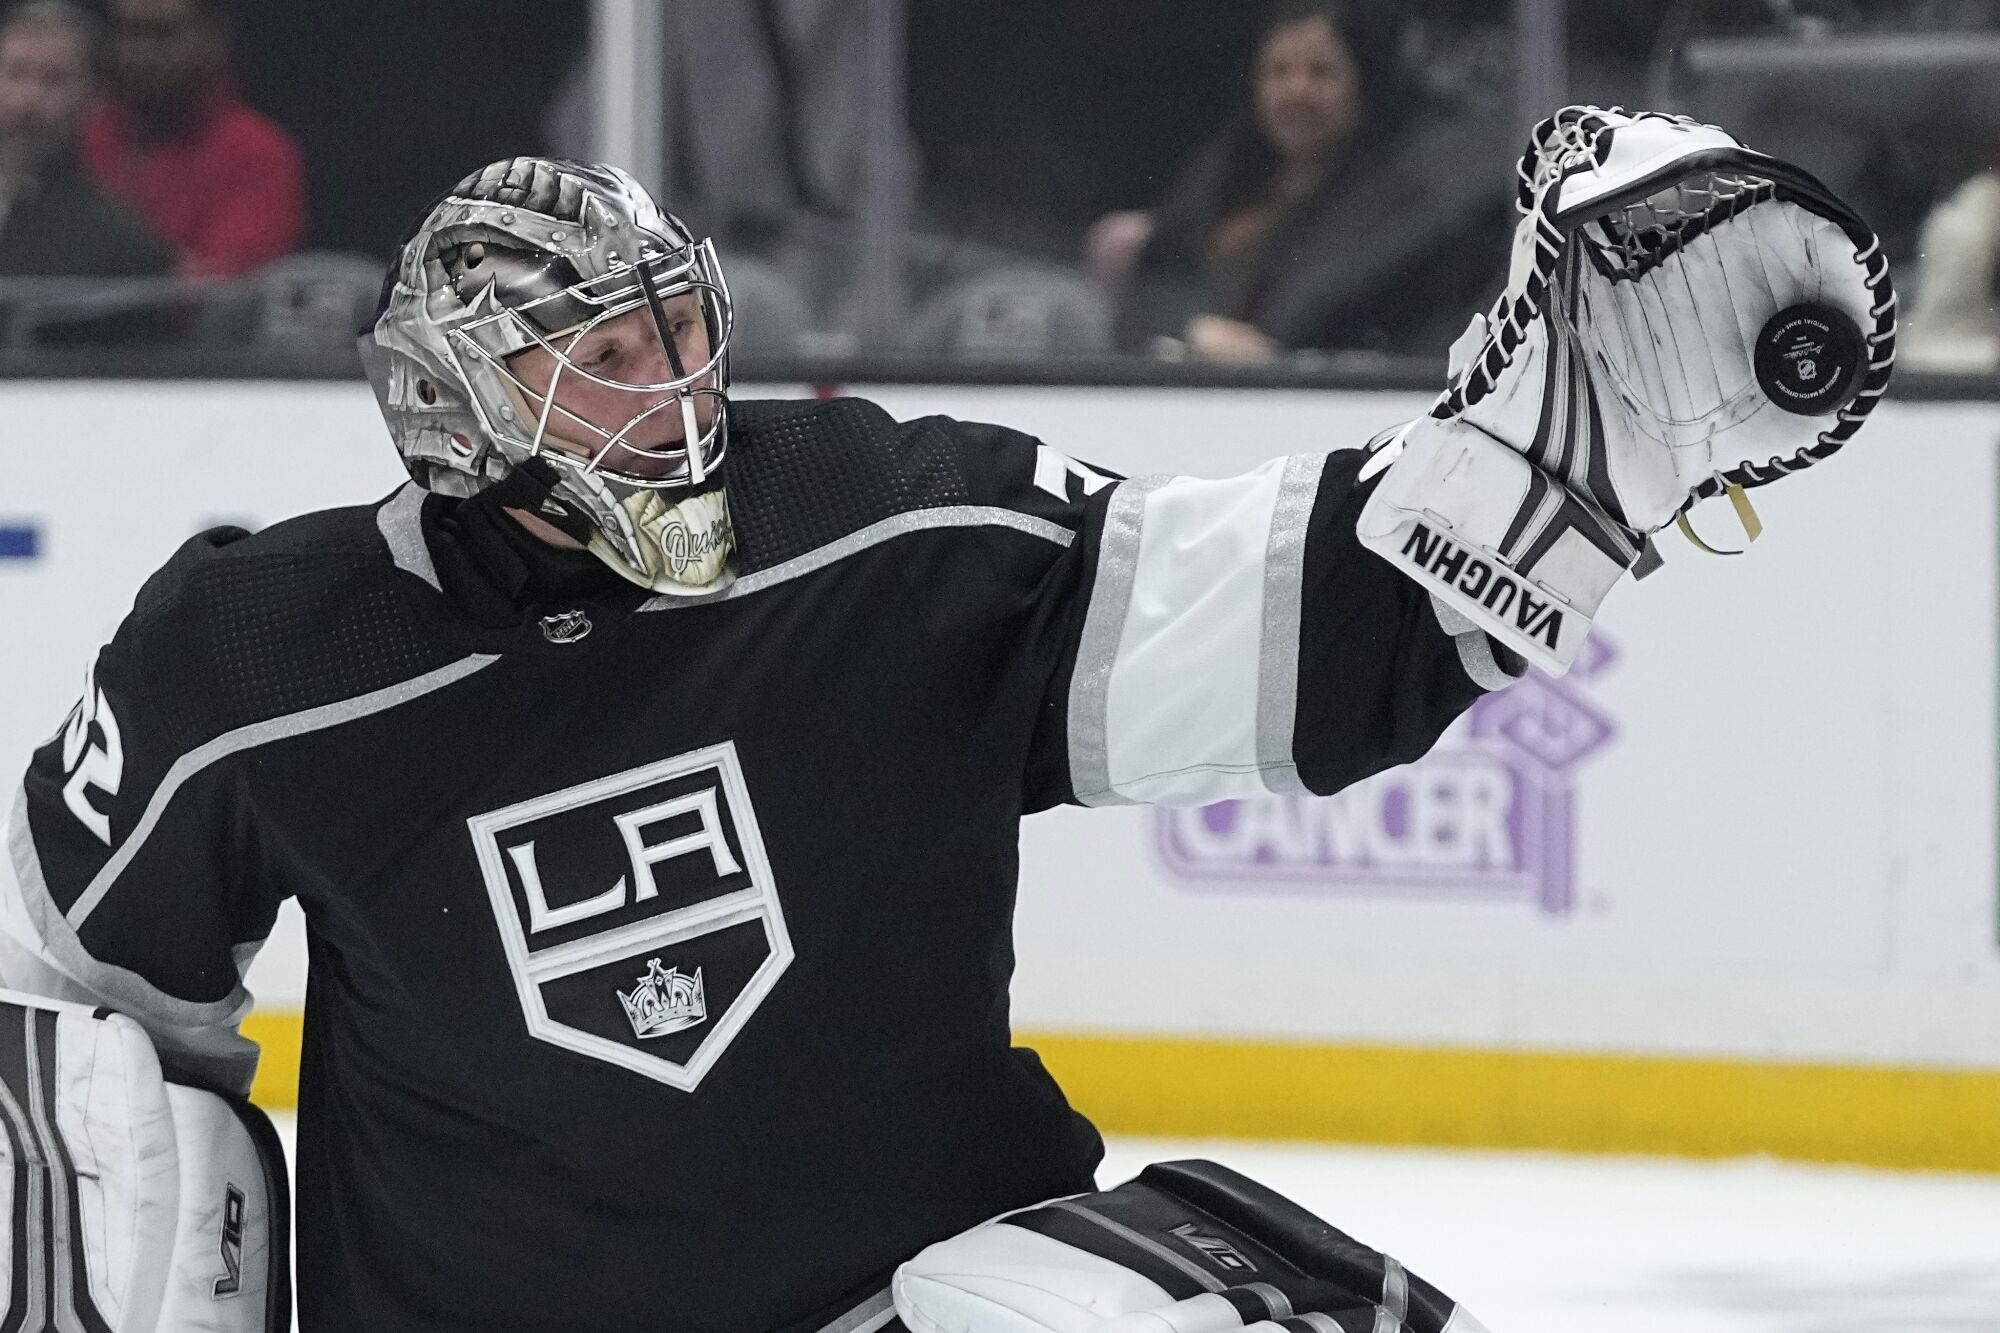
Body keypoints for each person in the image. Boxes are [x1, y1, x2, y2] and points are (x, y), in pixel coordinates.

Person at [0, 132, 1890, 1331]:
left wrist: (1557, 466)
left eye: (682, 334)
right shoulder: (255, 651)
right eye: (606, 355)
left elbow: (1285, 625)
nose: (674, 393)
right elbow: (68, 996)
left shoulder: (884, 523)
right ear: (451, 405)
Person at [1102, 0, 1509, 361]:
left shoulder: (1405, 210)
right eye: (1278, 72)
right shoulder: (1217, 180)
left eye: (1321, 73)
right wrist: (1191, 330)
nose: (1296, 90)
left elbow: (1399, 335)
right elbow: (1155, 288)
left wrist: (1278, 360)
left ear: (1361, 86)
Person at [81, 0, 303, 278]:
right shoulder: (84, 136)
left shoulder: (258, 153)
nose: (142, 53)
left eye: (163, 35)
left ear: (213, 39)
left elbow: (230, 285)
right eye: (129, 33)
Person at [0, 0, 172, 281]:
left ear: (93, 99)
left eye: (53, 80)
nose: (27, 101)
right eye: (15, 73)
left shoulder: (121, 245)